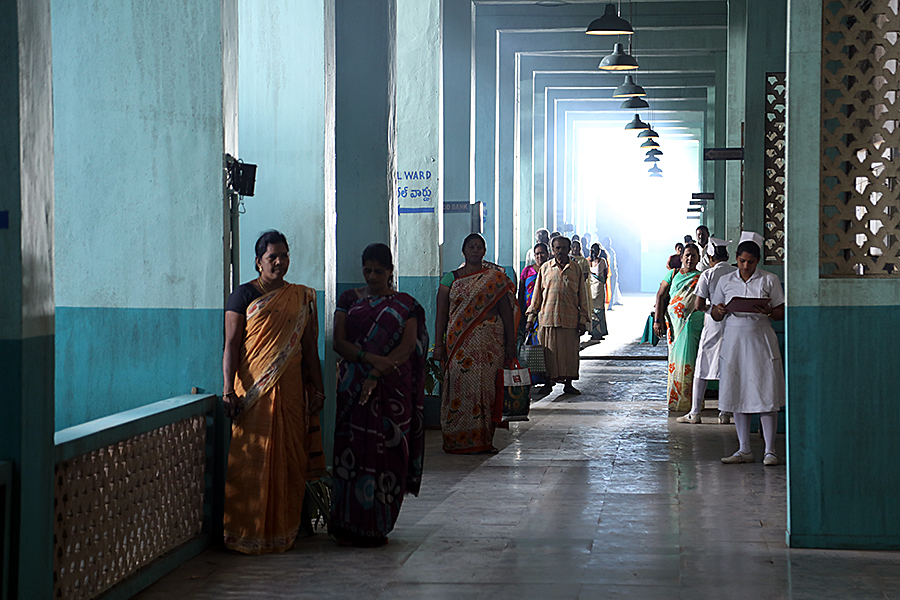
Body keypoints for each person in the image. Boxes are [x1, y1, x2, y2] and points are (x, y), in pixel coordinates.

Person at [222, 230, 326, 554]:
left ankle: (283, 531)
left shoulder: (302, 297)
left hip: (293, 392)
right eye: (272, 257)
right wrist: (228, 390)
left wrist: (319, 390)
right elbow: (231, 346)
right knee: (251, 460)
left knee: (290, 460)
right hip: (252, 394)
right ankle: (246, 532)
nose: (280, 262)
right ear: (258, 262)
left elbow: (309, 348)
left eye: (284, 255)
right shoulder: (242, 297)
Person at [330, 243, 428, 547]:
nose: (372, 276)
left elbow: (409, 346)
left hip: (392, 393)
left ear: (390, 272)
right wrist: (370, 361)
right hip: (354, 390)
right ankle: (347, 523)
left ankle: (378, 524)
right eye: (367, 270)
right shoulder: (348, 299)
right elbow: (339, 342)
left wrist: (377, 373)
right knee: (352, 453)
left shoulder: (406, 304)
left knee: (390, 453)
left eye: (379, 271)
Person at [434, 233, 518, 454]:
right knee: (458, 390)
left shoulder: (494, 279)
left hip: (490, 346)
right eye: (471, 246)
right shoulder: (449, 279)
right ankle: (456, 440)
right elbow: (441, 314)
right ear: (463, 250)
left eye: (479, 247)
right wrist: (439, 345)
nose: (475, 250)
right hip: (459, 345)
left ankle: (484, 440)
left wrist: (511, 344)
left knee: (487, 391)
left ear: (484, 251)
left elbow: (507, 313)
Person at [710, 231, 785, 466]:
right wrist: (719, 311)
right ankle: (744, 449)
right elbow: (714, 313)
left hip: (761, 339)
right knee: (737, 391)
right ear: (736, 259)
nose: (746, 266)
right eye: (742, 261)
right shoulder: (725, 281)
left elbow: (781, 312)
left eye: (750, 262)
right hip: (734, 340)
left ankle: (770, 450)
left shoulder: (769, 280)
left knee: (765, 392)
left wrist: (769, 312)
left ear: (758, 261)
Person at [676, 238, 736, 424]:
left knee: (702, 367)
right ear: (727, 256)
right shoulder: (736, 273)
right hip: (734, 324)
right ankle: (724, 413)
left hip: (712, 325)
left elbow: (699, 304)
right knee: (728, 368)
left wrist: (713, 310)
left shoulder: (707, 275)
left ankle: (695, 413)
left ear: (710, 257)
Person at [526, 236, 590, 395]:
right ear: (552, 250)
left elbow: (583, 296)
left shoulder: (576, 270)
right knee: (548, 355)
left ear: (569, 250)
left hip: (570, 321)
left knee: (569, 355)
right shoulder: (545, 269)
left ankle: (568, 384)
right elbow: (536, 297)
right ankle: (548, 383)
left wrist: (583, 320)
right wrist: (530, 318)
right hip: (547, 319)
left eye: (563, 248)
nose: (560, 251)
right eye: (557, 248)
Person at [654, 243, 703, 412]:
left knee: (691, 360)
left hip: (693, 325)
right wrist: (657, 320)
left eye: (693, 256)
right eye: (687, 255)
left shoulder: (701, 277)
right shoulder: (673, 274)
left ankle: (690, 402)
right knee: (675, 361)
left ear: (699, 258)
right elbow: (660, 296)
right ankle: (675, 399)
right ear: (681, 257)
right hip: (674, 326)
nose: (690, 259)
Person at [588, 242, 609, 340]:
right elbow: (605, 275)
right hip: (599, 288)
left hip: (591, 288)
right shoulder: (603, 261)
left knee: (592, 310)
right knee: (599, 310)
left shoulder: (588, 261)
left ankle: (593, 332)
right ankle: (599, 332)